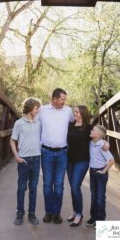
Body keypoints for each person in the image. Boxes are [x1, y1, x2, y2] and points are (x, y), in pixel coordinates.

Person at [67, 106, 110, 227]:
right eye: (74, 111)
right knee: (72, 188)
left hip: (83, 161)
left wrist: (107, 143)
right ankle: (75, 211)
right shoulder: (69, 125)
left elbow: (100, 136)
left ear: (83, 114)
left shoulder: (89, 128)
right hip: (69, 160)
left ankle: (79, 215)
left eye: (77, 112)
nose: (74, 113)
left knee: (75, 186)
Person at [39, 88, 74, 224]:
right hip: (46, 152)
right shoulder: (42, 111)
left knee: (59, 184)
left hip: (62, 153)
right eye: (62, 99)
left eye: (65, 99)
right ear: (54, 99)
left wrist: (99, 139)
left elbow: (78, 122)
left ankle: (57, 213)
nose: (64, 102)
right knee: (47, 184)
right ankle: (48, 212)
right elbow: (31, 123)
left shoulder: (68, 111)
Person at [10, 97, 41, 226]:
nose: (38, 110)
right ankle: (20, 213)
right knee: (22, 187)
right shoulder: (19, 123)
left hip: (36, 158)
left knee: (33, 188)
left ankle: (32, 214)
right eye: (36, 107)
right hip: (23, 160)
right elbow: (12, 140)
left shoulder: (39, 122)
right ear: (29, 108)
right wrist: (16, 156)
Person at [86, 125, 114, 229]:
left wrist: (103, 171)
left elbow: (111, 160)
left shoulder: (102, 145)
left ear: (97, 135)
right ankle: (93, 217)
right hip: (92, 172)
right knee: (93, 197)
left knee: (100, 198)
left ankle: (101, 220)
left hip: (100, 174)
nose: (91, 130)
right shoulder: (90, 142)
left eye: (93, 130)